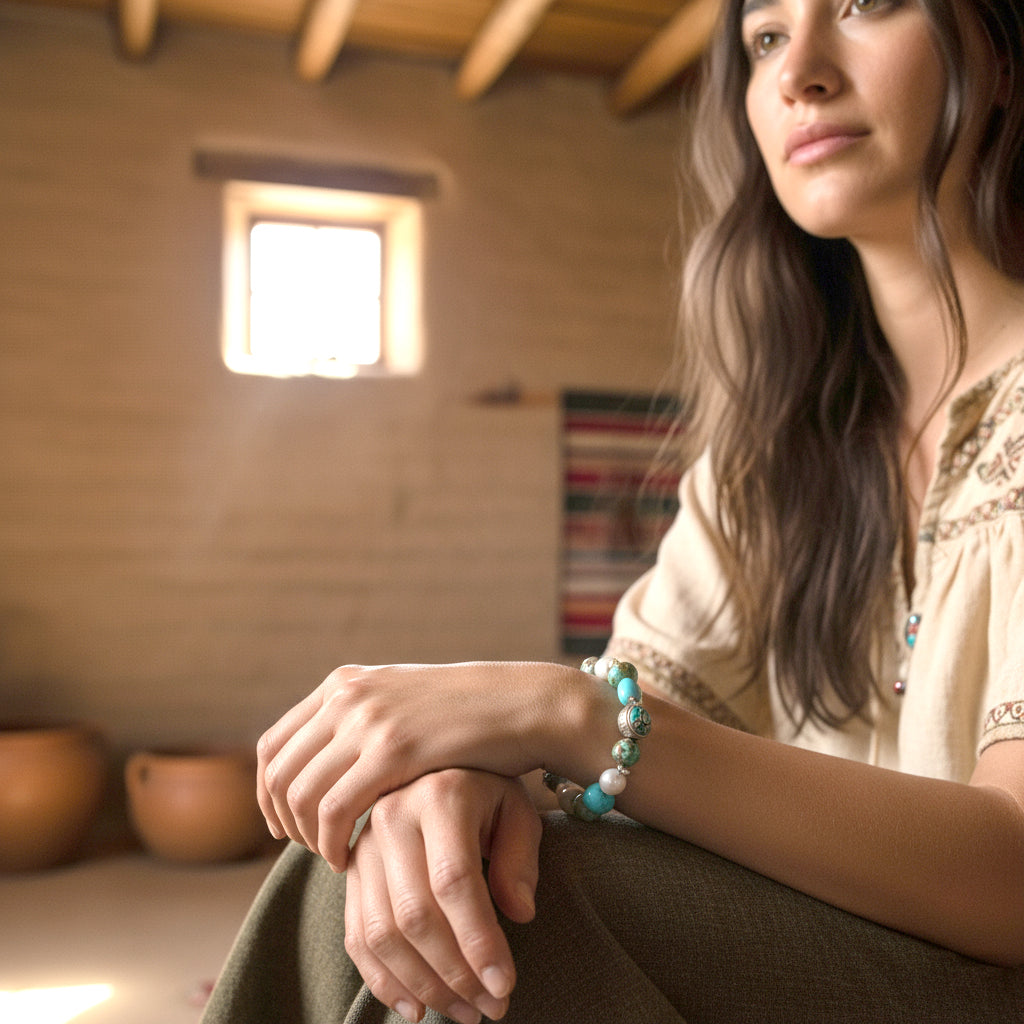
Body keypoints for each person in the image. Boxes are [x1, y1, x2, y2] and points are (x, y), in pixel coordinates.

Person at [201, 0, 1024, 1021]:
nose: (797, 71)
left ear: (998, 50)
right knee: (415, 867)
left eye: (864, 4)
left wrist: (560, 713)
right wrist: (470, 781)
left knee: (531, 912)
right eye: (765, 37)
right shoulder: (772, 458)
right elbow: (648, 709)